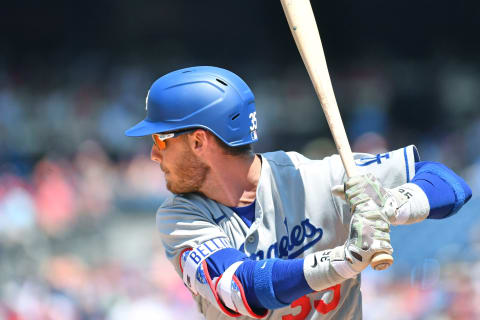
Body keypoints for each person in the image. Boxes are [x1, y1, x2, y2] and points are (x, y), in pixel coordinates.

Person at [125, 66, 472, 319]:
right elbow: (243, 289)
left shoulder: (316, 177)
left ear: (199, 141)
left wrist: (391, 205)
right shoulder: (180, 217)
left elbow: (450, 184)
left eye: (160, 140)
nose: (154, 154)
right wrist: (345, 259)